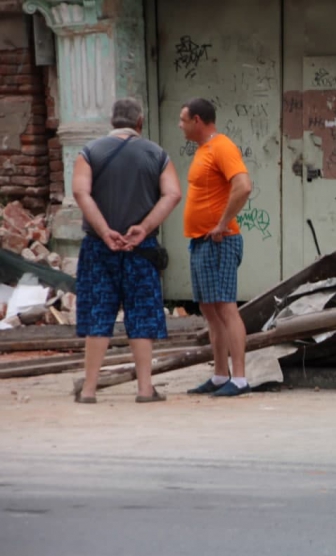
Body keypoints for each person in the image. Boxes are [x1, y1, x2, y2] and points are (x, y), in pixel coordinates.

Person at [72, 97, 182, 404]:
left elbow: (80, 191)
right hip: (140, 248)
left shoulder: (89, 152)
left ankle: (89, 389)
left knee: (98, 314)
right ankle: (145, 389)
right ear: (140, 122)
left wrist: (105, 230)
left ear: (112, 122)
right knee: (142, 315)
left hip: (98, 247)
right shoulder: (157, 154)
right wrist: (143, 228)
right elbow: (173, 194)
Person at [179, 98, 253, 397]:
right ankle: (220, 375)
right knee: (209, 309)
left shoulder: (222, 147)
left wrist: (223, 222)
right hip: (202, 242)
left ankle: (240, 379)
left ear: (198, 120)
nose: (180, 126)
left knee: (226, 308)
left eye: (183, 120)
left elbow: (243, 186)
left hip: (220, 241)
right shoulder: (203, 150)